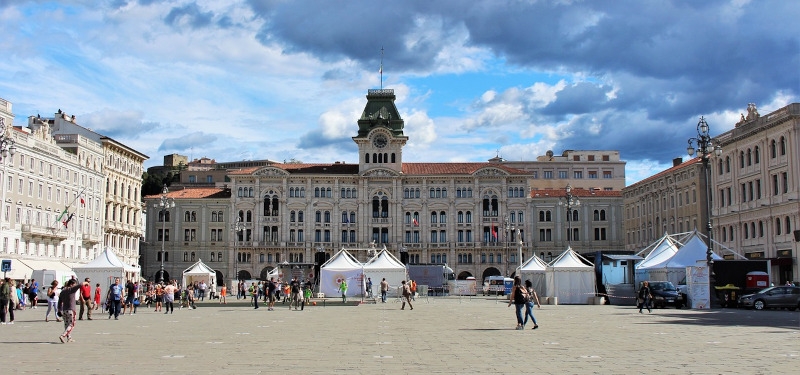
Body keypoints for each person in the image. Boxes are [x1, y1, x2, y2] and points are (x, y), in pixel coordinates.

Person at [56, 278, 81, 343]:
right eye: (74, 284)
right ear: (72, 284)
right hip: (71, 310)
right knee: (71, 324)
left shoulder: (63, 291)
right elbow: (80, 285)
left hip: (64, 310)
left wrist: (59, 309)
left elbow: (59, 301)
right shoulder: (71, 289)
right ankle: (63, 335)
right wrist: (86, 282)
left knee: (66, 324)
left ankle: (69, 338)